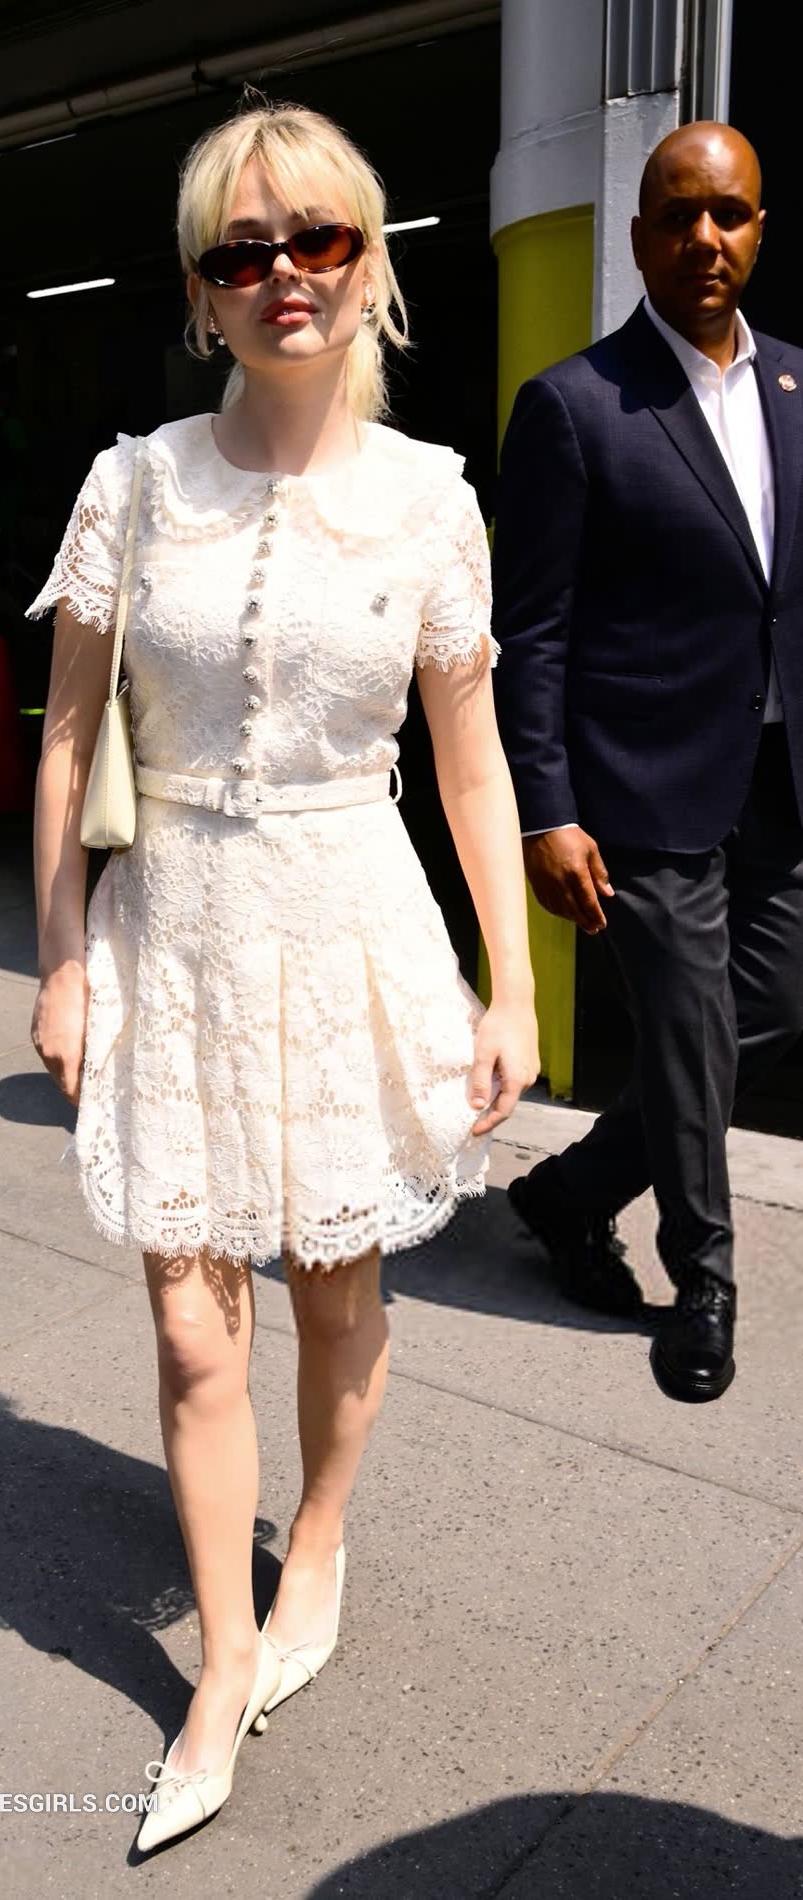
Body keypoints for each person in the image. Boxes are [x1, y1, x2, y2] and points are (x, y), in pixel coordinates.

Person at [26, 98, 538, 1851]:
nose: (282, 274)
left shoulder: (429, 504)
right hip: (168, 930)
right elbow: (67, 734)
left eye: (316, 238)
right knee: (191, 1322)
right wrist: (59, 958)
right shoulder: (132, 485)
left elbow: (470, 763)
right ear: (200, 290)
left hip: (346, 926)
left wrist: (510, 987)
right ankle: (222, 1662)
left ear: (370, 262)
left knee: (335, 1297)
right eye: (241, 251)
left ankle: (315, 1538)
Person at [492, 122, 803, 1405]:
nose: (702, 238)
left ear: (758, 229)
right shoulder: (574, 405)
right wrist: (545, 809)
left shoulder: (795, 385)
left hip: (775, 778)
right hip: (639, 784)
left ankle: (568, 1191)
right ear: (635, 238)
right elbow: (531, 631)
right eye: (676, 216)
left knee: (766, 1009)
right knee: (683, 1026)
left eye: (725, 214)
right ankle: (704, 1283)